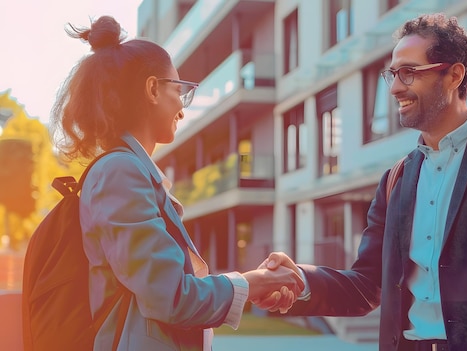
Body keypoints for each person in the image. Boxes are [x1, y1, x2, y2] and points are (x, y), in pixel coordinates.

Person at [255, 13, 467, 351]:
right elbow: (367, 286)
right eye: (393, 74)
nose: (396, 87)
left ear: (454, 75)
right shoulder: (395, 180)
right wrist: (303, 279)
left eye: (409, 73)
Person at [50, 16, 302, 351]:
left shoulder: (129, 170)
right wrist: (254, 283)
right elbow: (171, 296)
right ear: (153, 89)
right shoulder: (120, 172)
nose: (182, 110)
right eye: (179, 91)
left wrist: (253, 285)